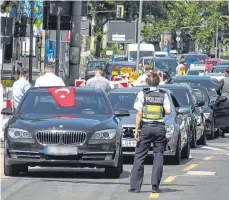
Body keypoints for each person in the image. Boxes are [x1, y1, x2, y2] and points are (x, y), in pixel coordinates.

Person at [129, 71, 172, 194]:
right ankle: (155, 186)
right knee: (158, 156)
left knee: (139, 156)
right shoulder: (163, 95)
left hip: (146, 128)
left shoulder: (143, 94)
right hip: (159, 129)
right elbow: (168, 111)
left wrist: (136, 130)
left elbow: (138, 113)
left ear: (147, 82)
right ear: (158, 82)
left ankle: (135, 187)